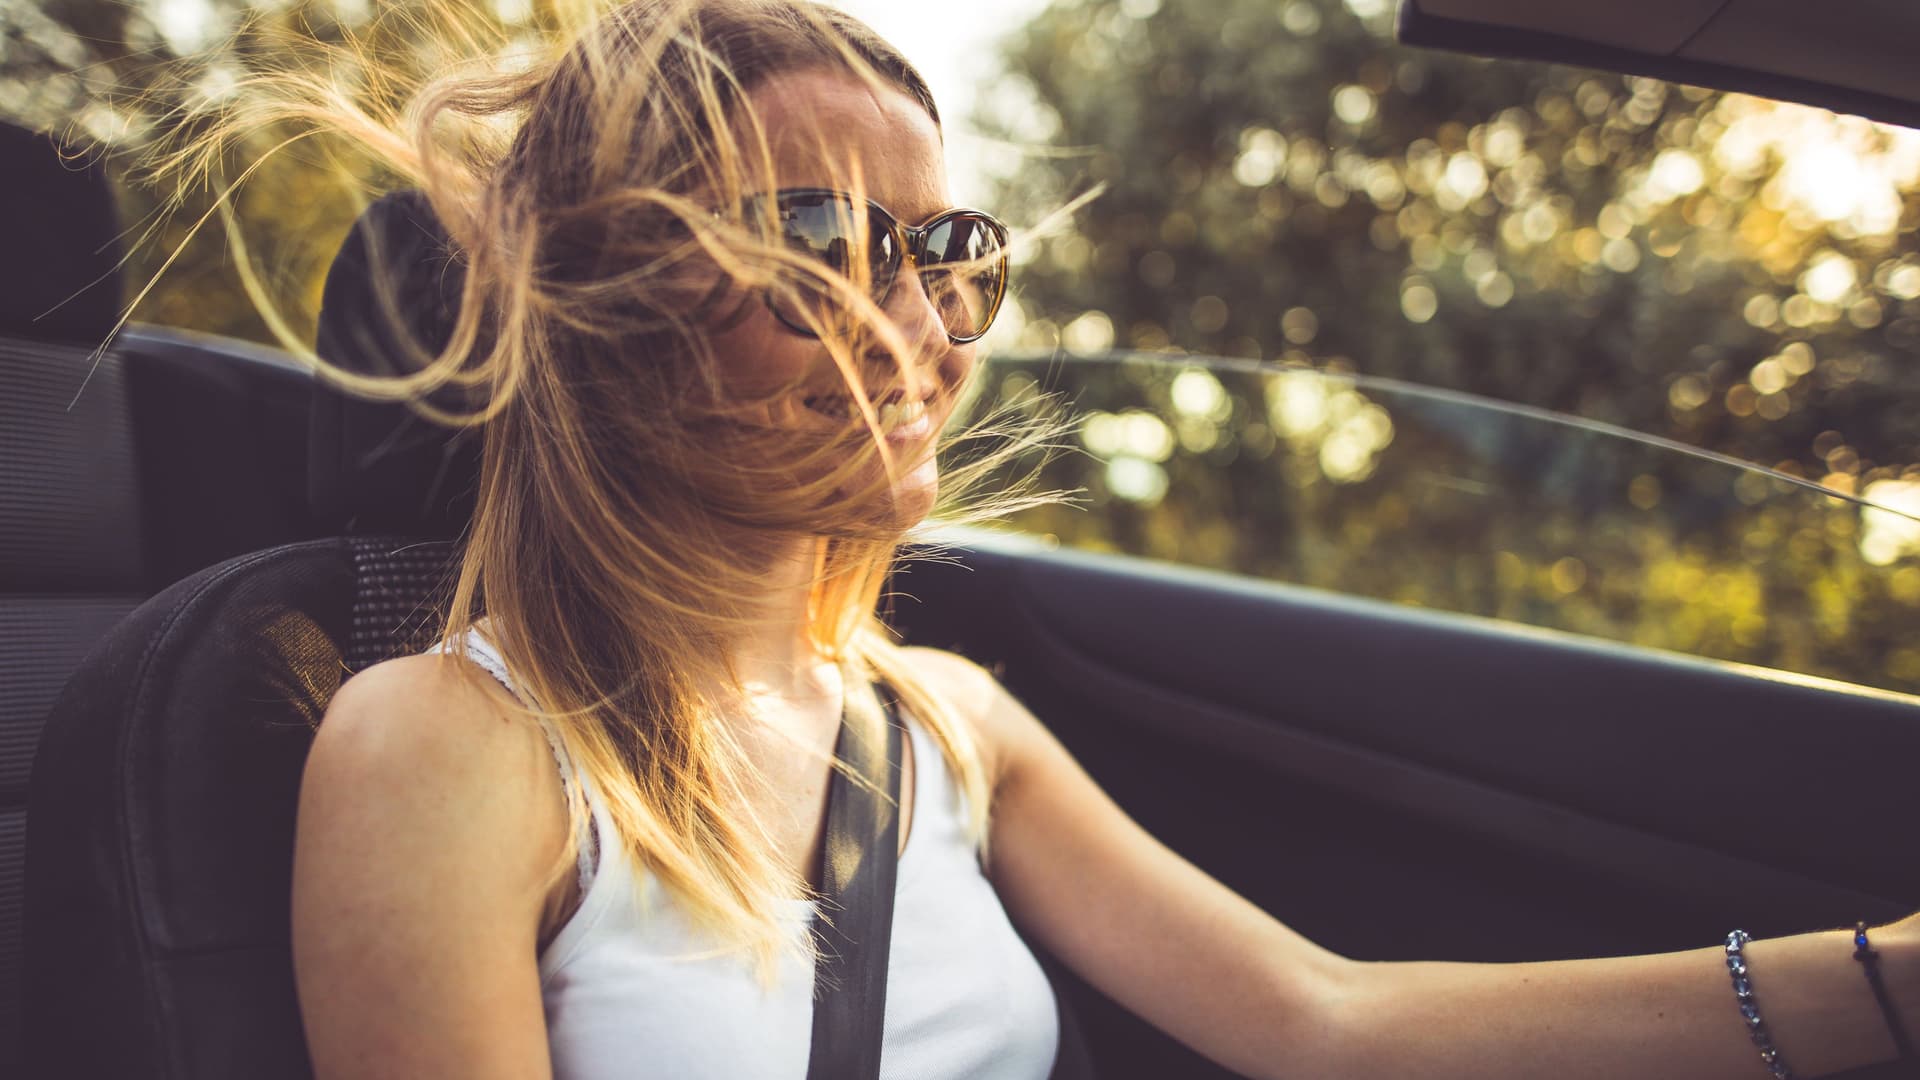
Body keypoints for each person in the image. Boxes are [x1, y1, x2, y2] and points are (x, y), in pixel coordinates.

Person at [131, 1, 1915, 1077]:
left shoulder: (944, 723)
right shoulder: (447, 746)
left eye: (948, 249)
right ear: (607, 316)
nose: (915, 323)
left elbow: (1330, 1027)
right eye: (817, 242)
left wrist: (1882, 989)